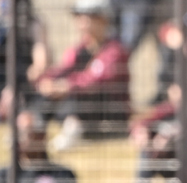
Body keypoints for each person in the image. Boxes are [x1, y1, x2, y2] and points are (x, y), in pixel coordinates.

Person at [32, 0, 130, 151]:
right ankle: (32, 132)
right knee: (46, 96)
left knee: (77, 95)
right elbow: (64, 69)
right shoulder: (79, 49)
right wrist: (47, 80)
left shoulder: (115, 50)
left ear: (102, 19)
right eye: (78, 16)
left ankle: (72, 132)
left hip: (109, 112)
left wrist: (67, 86)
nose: (80, 22)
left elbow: (97, 81)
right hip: (80, 102)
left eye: (86, 17)